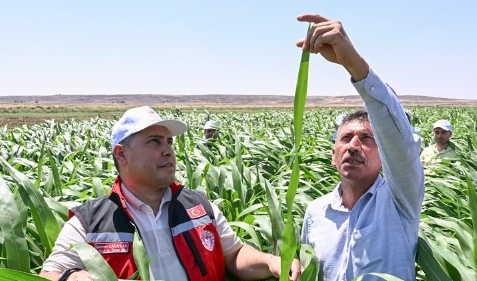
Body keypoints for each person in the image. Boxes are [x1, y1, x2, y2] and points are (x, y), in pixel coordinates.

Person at [39, 106, 302, 281]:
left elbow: (234, 254)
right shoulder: (89, 222)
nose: (168, 151)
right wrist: (71, 277)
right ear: (121, 154)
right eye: (154, 141)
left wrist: (271, 262)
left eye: (169, 142)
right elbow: (48, 274)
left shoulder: (199, 206)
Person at [297, 14, 424, 280]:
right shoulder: (315, 212)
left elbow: (401, 143)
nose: (354, 145)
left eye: (367, 139)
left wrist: (353, 63)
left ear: (385, 155)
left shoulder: (400, 201)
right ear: (333, 156)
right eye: (345, 138)